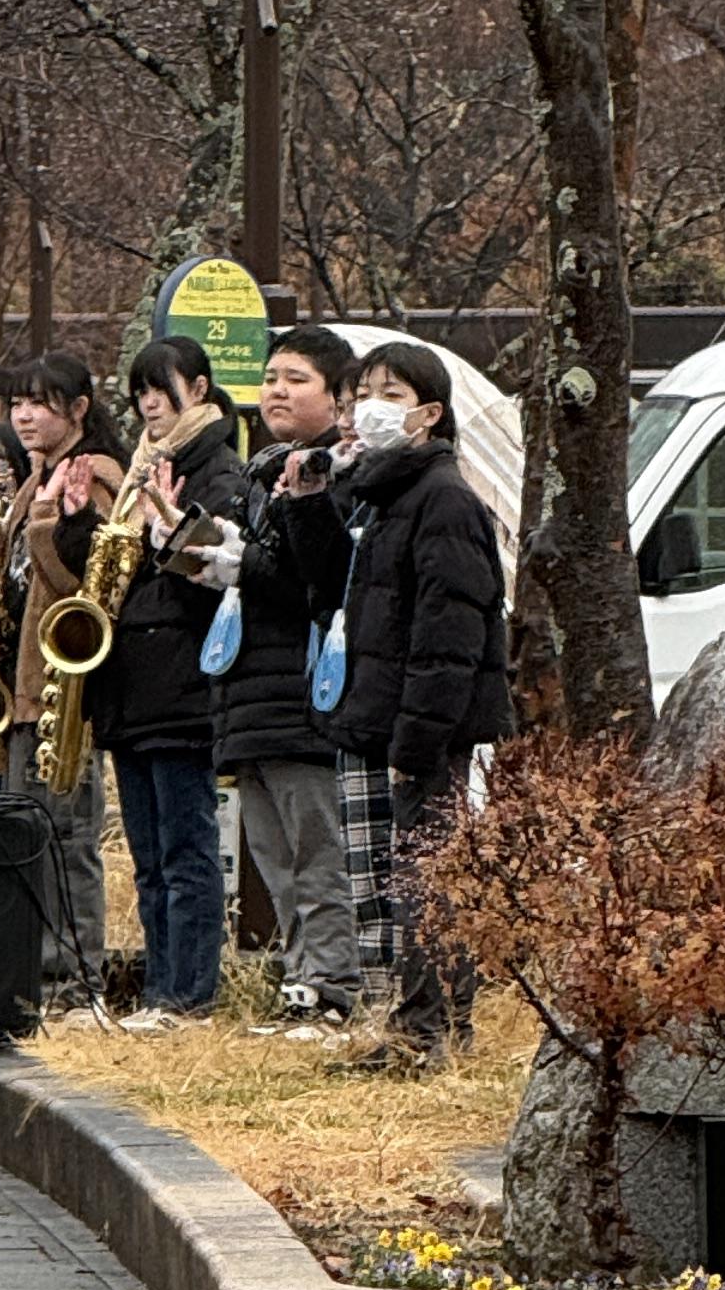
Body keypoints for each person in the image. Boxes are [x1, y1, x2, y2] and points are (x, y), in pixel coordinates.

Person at [305, 337, 509, 1072]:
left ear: (430, 414)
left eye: (391, 396)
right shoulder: (384, 495)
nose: (370, 408)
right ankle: (406, 1026)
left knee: (427, 884)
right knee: (392, 884)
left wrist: (416, 740)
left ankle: (432, 1033)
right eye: (364, 394)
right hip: (381, 718)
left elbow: (449, 638)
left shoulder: (443, 499)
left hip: (421, 731)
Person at [214, 323, 365, 1029]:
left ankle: (333, 986)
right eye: (271, 377)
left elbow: (320, 584)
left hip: (307, 697)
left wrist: (242, 564)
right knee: (275, 856)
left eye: (296, 379)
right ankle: (302, 980)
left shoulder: (341, 475)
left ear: (338, 398)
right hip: (251, 695)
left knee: (317, 853)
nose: (276, 390)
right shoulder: (260, 473)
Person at [91, 336, 240, 1020]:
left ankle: (189, 995)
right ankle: (158, 990)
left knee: (186, 852)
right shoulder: (140, 470)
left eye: (162, 389)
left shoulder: (217, 468)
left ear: (199, 390)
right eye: (140, 393)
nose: (149, 404)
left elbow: (212, 580)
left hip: (180, 688)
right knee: (149, 859)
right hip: (131, 688)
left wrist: (168, 533)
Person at [0, 350, 122, 996]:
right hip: (21, 692)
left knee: (66, 835)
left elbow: (85, 589)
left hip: (65, 695)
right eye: (17, 403)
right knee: (23, 833)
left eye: (40, 402)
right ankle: (30, 968)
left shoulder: (95, 475)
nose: (25, 416)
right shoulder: (32, 478)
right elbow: (0, 585)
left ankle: (75, 974)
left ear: (79, 409)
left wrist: (46, 525)